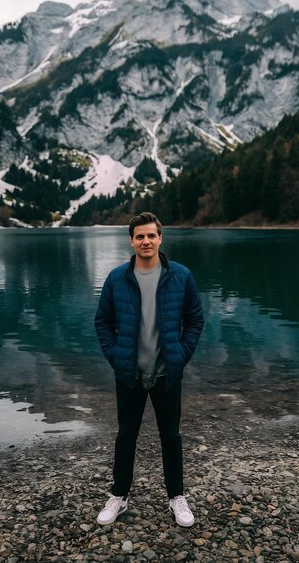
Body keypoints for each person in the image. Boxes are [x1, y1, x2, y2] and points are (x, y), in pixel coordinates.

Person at [94, 212, 204, 527]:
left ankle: (176, 496)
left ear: (160, 238)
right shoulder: (117, 278)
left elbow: (195, 320)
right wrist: (116, 356)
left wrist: (181, 355)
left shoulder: (181, 276)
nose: (146, 241)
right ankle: (119, 495)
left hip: (167, 373)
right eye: (140, 236)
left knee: (170, 434)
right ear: (131, 240)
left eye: (151, 235)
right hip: (128, 373)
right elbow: (103, 322)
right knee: (126, 434)